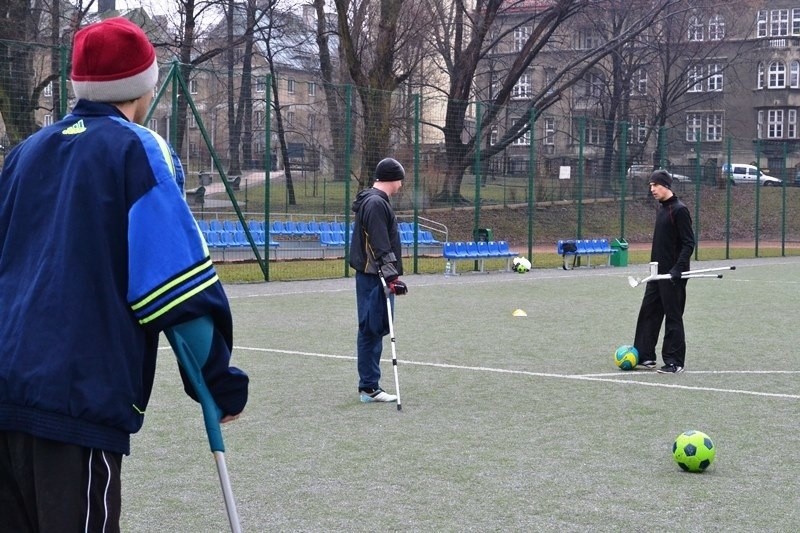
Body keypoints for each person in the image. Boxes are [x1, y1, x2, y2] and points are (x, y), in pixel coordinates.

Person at [0, 17, 248, 530]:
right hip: (76, 399)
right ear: (146, 84)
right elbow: (176, 287)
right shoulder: (137, 148)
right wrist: (218, 383)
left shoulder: (23, 154)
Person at [350, 158, 408, 403]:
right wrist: (391, 276)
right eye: (400, 179)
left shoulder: (375, 201)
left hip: (374, 275)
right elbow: (379, 243)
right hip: (375, 276)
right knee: (371, 329)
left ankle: (369, 385)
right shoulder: (375, 203)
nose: (401, 184)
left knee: (373, 328)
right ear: (393, 179)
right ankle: (369, 387)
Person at [633, 169, 696, 374]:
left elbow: (688, 243)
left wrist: (678, 268)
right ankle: (645, 356)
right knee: (648, 312)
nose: (652, 189)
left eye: (655, 185)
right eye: (650, 185)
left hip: (673, 275)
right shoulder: (662, 209)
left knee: (673, 316)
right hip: (657, 272)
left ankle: (675, 361)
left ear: (666, 185)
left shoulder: (679, 210)